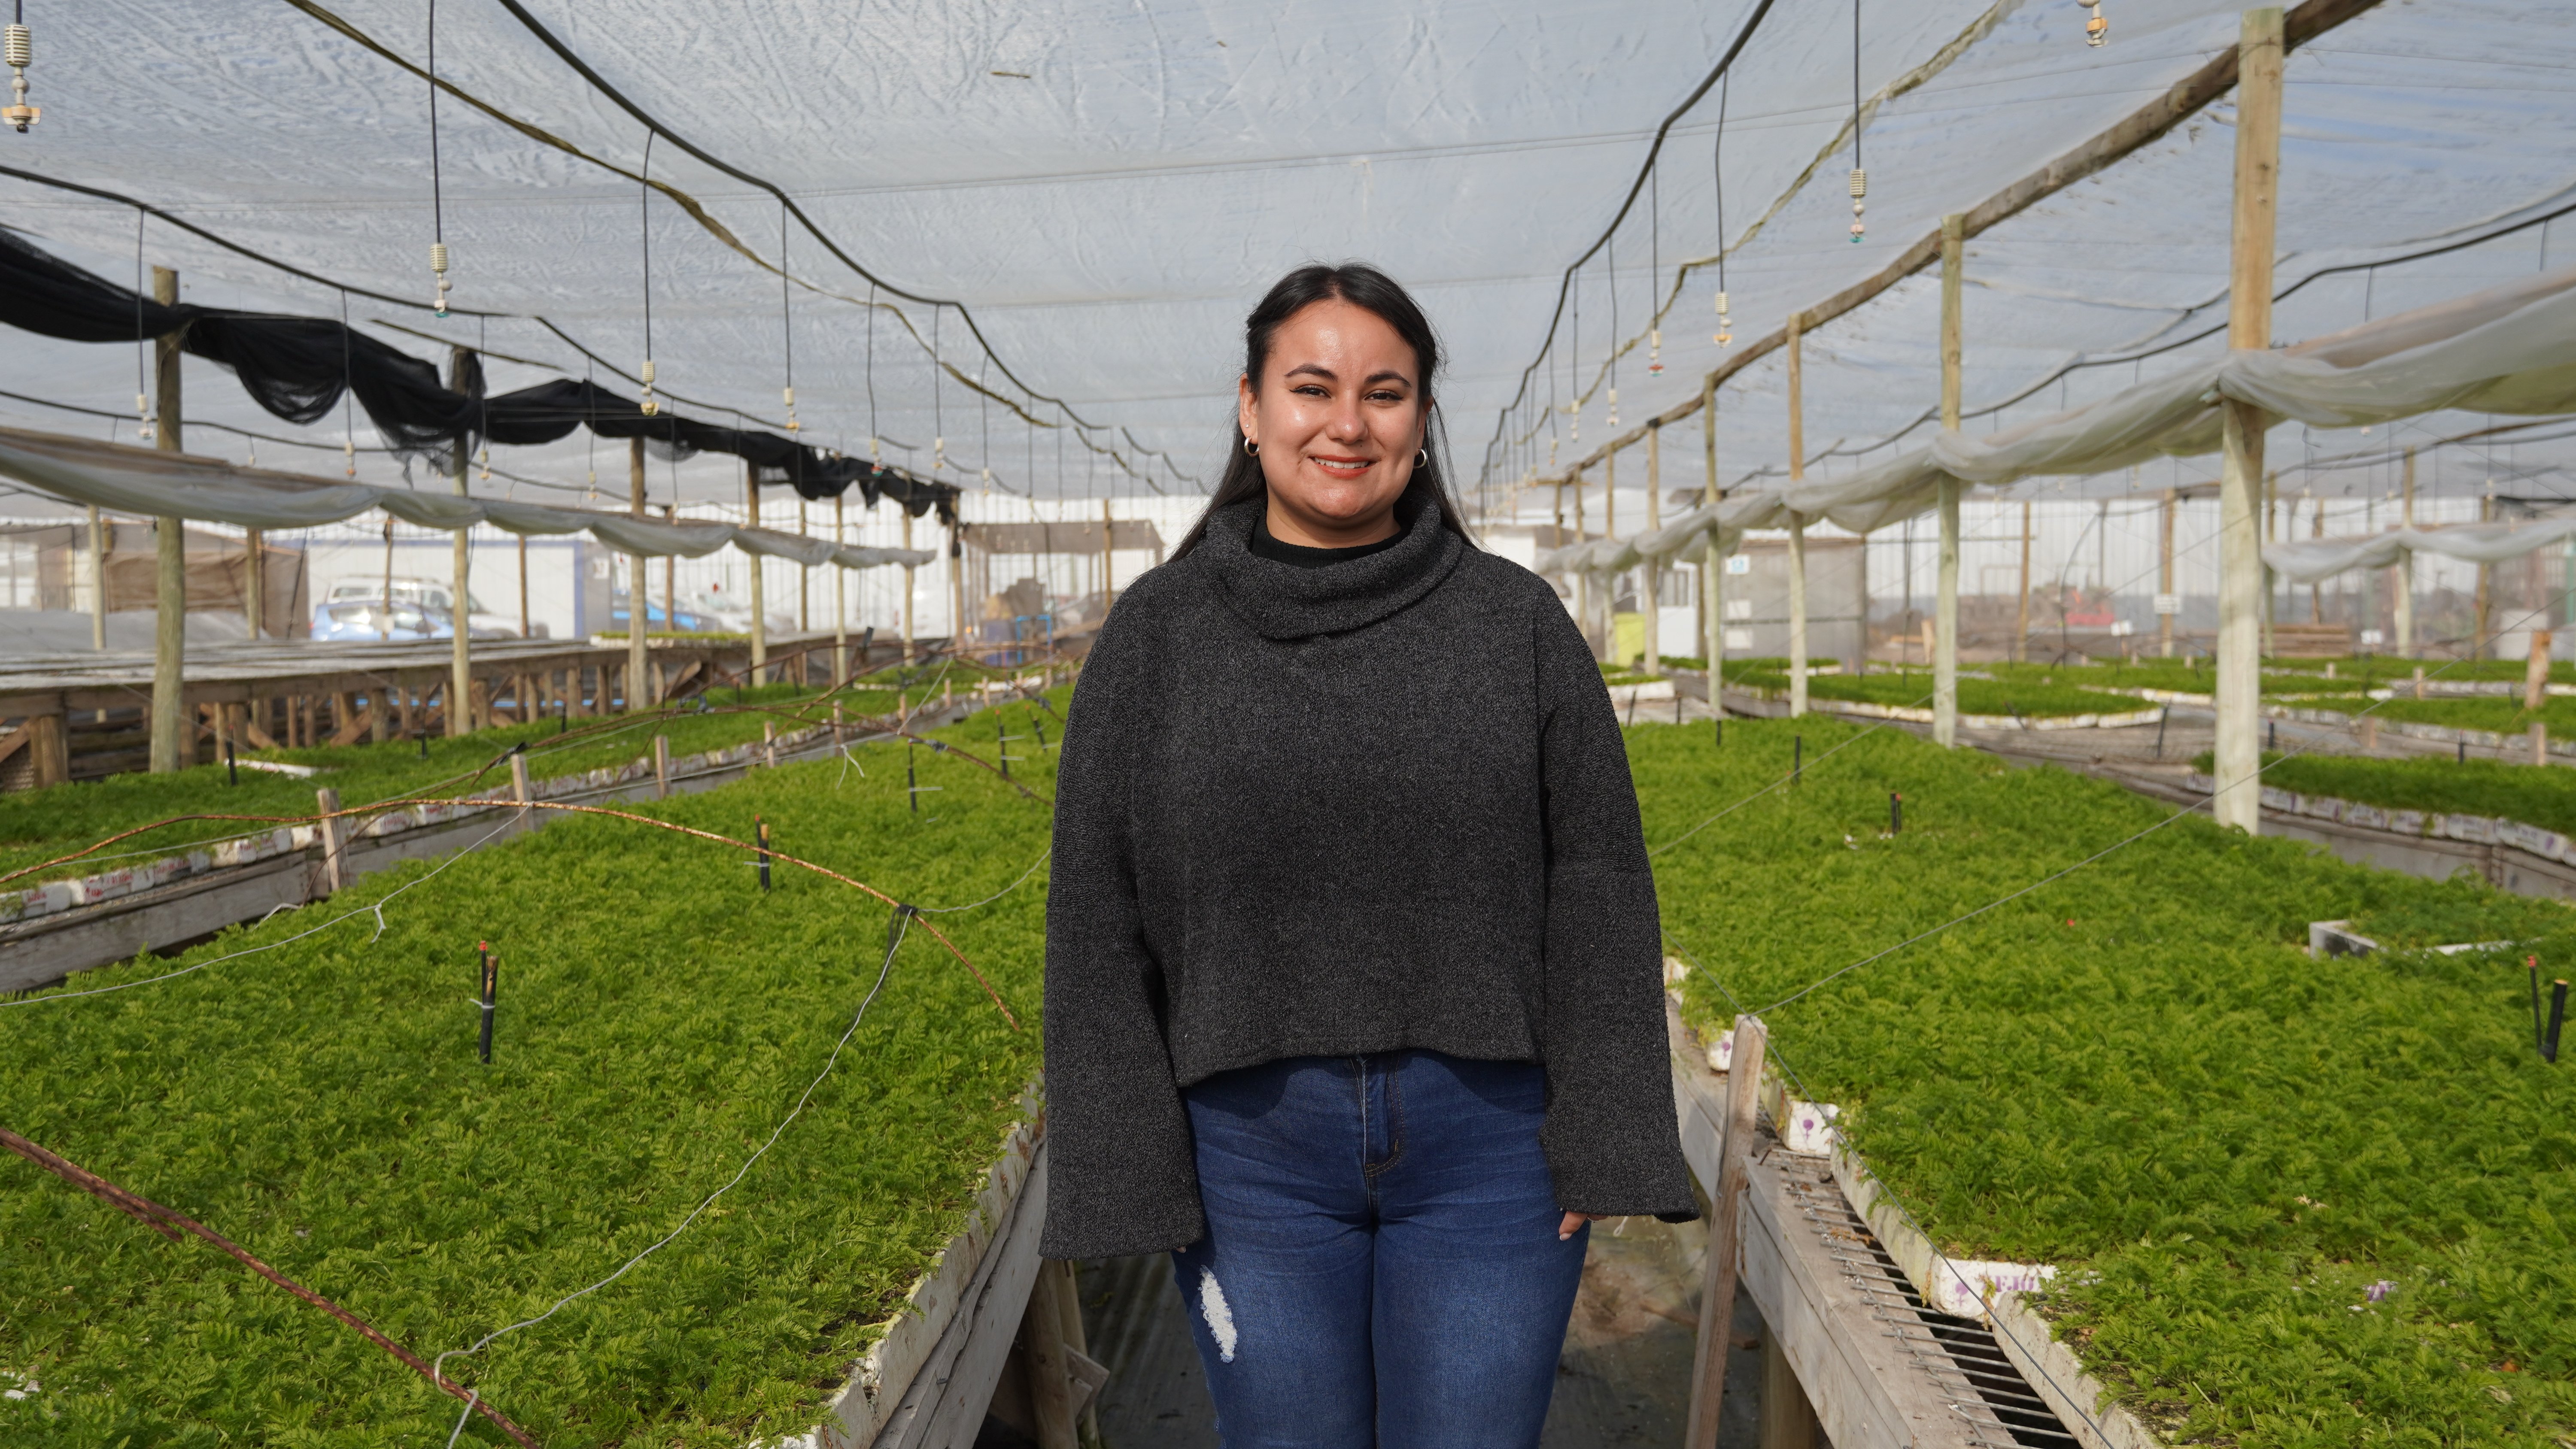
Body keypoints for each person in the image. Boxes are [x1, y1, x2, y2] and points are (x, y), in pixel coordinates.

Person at [1041, 262, 1695, 1447]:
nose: (1348, 423)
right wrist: (1127, 1169)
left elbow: (1597, 881)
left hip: (1492, 1157)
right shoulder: (1159, 636)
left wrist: (1608, 1131)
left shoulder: (1513, 624)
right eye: (1312, 388)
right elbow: (1096, 910)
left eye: (1384, 394)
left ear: (1423, 420)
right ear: (1251, 408)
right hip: (1249, 1161)